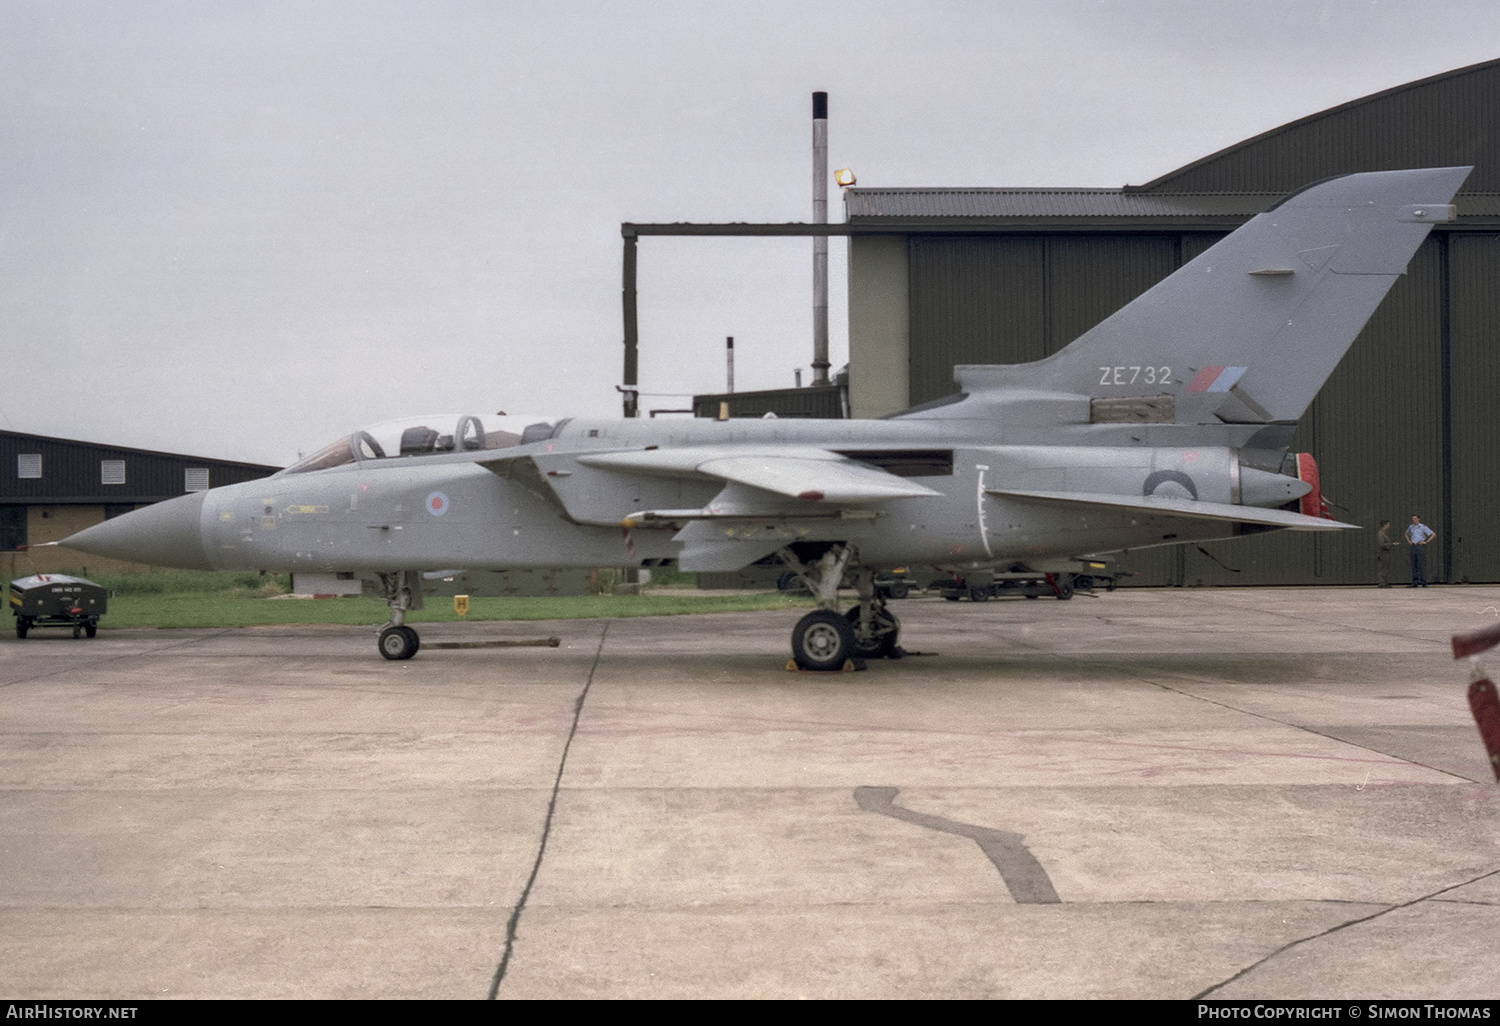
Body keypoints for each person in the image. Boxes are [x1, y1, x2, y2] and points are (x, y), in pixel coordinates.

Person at [1406, 514, 1435, 587]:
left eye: (1415, 518)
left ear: (1418, 519)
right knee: (1414, 564)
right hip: (1413, 546)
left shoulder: (1422, 527)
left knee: (1421, 564)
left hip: (1420, 546)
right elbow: (1406, 534)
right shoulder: (1411, 527)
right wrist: (1409, 541)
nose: (1413, 520)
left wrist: (1426, 542)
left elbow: (1433, 534)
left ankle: (1423, 582)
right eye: (1413, 518)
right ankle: (1415, 582)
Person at [1376, 520, 1395, 587]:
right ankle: (1382, 582)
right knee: (1382, 568)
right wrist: (1391, 544)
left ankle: (1384, 581)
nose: (1389, 526)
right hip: (1383, 553)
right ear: (1385, 525)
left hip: (1386, 552)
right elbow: (1382, 544)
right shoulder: (1380, 534)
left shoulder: (1384, 533)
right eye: (1388, 524)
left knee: (1385, 568)